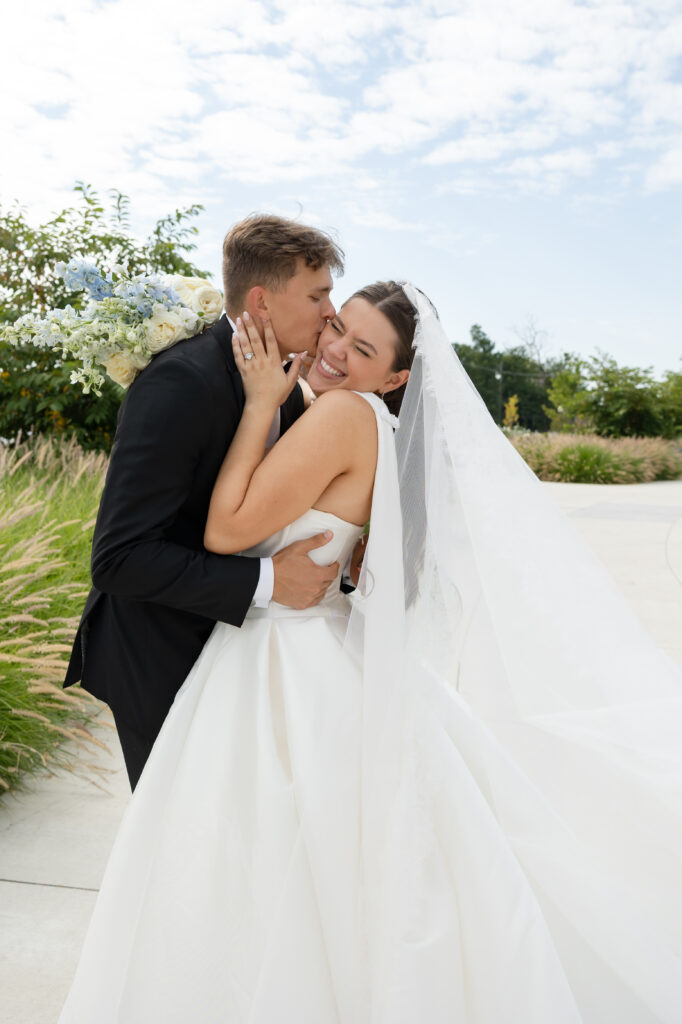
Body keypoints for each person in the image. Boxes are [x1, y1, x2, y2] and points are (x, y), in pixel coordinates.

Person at [59, 283, 682, 1023]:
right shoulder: (370, 424)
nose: (334, 350)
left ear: (396, 377)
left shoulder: (343, 416)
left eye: (362, 349)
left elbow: (225, 532)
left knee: (248, 860)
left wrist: (258, 404)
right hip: (307, 643)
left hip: (279, 657)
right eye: (336, 326)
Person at [63, 213, 345, 790]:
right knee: (179, 835)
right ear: (262, 301)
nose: (329, 312)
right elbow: (119, 559)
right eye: (317, 295)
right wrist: (269, 581)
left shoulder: (288, 391)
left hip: (233, 652)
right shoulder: (180, 382)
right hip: (157, 654)